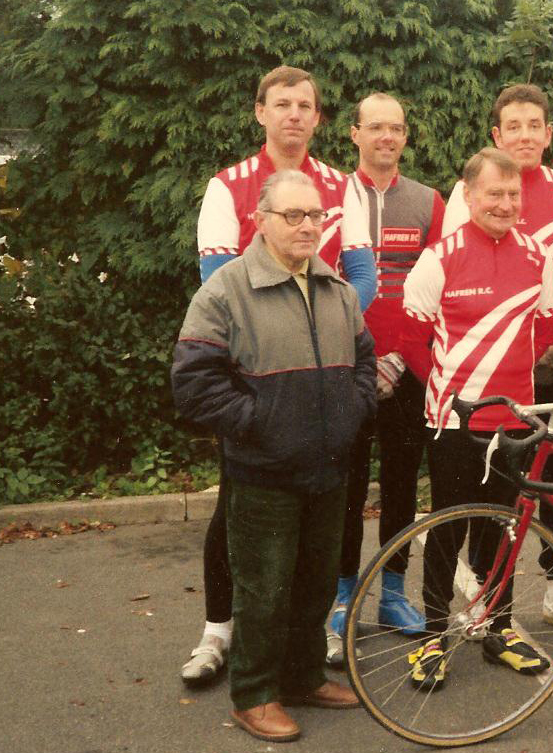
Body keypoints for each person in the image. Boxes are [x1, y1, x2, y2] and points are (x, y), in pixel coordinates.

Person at [182, 66, 375, 686]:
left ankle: (306, 641)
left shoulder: (344, 186)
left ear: (318, 118)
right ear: (260, 112)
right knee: (238, 513)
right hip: (257, 374)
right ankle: (219, 630)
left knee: (326, 517)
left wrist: (324, 327)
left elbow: (362, 275)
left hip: (323, 372)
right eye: (282, 103)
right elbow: (216, 281)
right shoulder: (228, 185)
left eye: (305, 105)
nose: (294, 114)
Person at [441, 83, 553, 636]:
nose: (525, 135)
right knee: (489, 480)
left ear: (549, 133)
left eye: (535, 125)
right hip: (494, 368)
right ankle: (484, 591)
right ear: (497, 133)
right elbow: (453, 272)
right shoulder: (469, 192)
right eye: (514, 126)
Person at [401, 148, 553, 689]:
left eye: (514, 194)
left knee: (502, 528)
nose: (506, 204)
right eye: (494, 193)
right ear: (468, 195)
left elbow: (546, 325)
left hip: (513, 421)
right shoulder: (440, 256)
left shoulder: (538, 255)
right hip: (454, 422)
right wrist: (449, 386)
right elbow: (410, 336)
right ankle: (432, 636)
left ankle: (498, 628)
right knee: (447, 529)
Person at [327, 92, 446, 664]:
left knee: (401, 486)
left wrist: (397, 358)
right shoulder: (331, 197)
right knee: (345, 489)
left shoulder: (427, 200)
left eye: (396, 128)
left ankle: (394, 595)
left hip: (405, 369)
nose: (387, 137)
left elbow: (437, 286)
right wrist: (358, 360)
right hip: (345, 367)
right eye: (375, 127)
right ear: (354, 134)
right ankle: (342, 596)